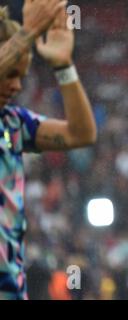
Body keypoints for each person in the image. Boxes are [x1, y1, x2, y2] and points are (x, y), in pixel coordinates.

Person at [0, 4, 97, 299]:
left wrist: (64, 67)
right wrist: (28, 33)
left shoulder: (13, 123)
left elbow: (81, 133)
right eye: (12, 73)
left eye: (23, 75)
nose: (17, 85)